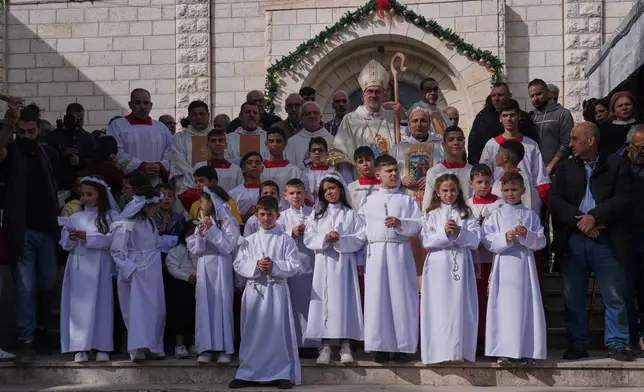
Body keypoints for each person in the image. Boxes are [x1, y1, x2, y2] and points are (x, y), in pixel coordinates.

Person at [550, 122, 634, 361]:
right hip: (575, 240)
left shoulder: (616, 164)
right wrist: (582, 222)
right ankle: (577, 344)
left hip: (607, 240)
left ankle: (617, 344)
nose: (571, 144)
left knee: (614, 295)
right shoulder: (565, 168)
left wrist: (595, 217)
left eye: (575, 139)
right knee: (573, 297)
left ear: (590, 140)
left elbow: (624, 198)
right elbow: (556, 202)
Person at [0, 103, 60, 362]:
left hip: (47, 229)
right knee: (26, 287)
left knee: (48, 284)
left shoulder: (48, 154)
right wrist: (9, 123)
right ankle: (26, 339)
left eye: (30, 131)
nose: (26, 136)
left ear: (38, 131)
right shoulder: (12, 152)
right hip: (22, 230)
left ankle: (42, 328)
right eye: (21, 131)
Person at [229, 196, 302, 389]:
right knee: (252, 332)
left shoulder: (285, 240)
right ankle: (247, 373)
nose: (266, 218)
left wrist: (274, 265)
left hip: (277, 290)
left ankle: (281, 373)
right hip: (255, 291)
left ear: (277, 215)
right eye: (262, 214)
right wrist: (256, 265)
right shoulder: (249, 240)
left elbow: (294, 265)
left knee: (277, 332)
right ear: (256, 215)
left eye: (270, 214)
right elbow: (238, 263)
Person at [360, 154, 422, 363]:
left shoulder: (407, 200)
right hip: (376, 253)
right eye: (389, 171)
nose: (394, 174)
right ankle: (381, 346)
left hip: (399, 251)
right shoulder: (369, 201)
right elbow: (361, 229)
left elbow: (418, 225)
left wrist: (400, 223)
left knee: (402, 297)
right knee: (378, 299)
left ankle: (404, 346)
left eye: (396, 170)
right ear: (378, 175)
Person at [482, 172, 547, 363]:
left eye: (514, 189)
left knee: (527, 305)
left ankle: (527, 350)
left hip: (524, 264)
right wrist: (506, 237)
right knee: (504, 306)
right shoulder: (496, 215)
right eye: (507, 190)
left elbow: (541, 240)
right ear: (501, 191)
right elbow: (487, 240)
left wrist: (527, 235)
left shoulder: (531, 215)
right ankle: (504, 350)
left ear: (523, 191)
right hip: (504, 264)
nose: (510, 193)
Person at [110, 185, 178, 362]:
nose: (158, 209)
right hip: (136, 271)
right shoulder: (125, 224)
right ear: (146, 206)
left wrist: (178, 241)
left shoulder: (148, 222)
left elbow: (155, 243)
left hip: (152, 269)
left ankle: (154, 344)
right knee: (136, 309)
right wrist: (131, 269)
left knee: (156, 308)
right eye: (155, 206)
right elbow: (117, 251)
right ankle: (137, 347)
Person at [304, 174, 366, 365]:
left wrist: (340, 239)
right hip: (324, 264)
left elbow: (360, 237)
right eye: (326, 190)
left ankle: (345, 345)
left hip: (344, 264)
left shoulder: (351, 214)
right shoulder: (316, 215)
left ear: (341, 189)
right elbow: (308, 237)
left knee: (344, 302)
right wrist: (324, 238)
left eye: (333, 188)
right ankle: (325, 346)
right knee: (324, 303)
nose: (330, 192)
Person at [59, 177, 120, 363]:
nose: (85, 198)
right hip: (79, 265)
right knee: (79, 306)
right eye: (83, 194)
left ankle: (102, 346)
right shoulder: (75, 217)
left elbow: (114, 240)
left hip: (101, 265)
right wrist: (71, 237)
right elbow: (64, 244)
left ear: (99, 195)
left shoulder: (110, 216)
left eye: (90, 194)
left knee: (102, 303)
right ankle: (80, 347)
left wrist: (89, 237)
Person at [421, 173, 480, 364]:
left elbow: (476, 240)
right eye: (445, 190)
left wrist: (459, 232)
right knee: (439, 307)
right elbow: (426, 240)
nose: (449, 194)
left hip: (461, 263)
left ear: (459, 191)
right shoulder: (431, 214)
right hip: (438, 264)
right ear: (437, 192)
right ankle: (439, 352)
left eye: (453, 190)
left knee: (459, 305)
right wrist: (444, 233)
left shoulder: (466, 214)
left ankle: (459, 350)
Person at [187, 185, 240, 364]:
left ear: (212, 201)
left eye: (202, 201)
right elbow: (194, 249)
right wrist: (201, 235)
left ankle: (224, 348)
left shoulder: (229, 221)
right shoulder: (203, 219)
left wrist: (212, 230)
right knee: (204, 305)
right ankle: (205, 347)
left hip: (221, 265)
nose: (200, 205)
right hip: (204, 265)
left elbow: (227, 246)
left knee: (222, 305)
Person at [333, 59, 407, 171]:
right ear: (363, 96)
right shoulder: (350, 119)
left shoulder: (393, 117)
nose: (374, 95)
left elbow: (406, 145)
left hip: (389, 178)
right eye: (370, 91)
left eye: (378, 92)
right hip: (361, 181)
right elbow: (342, 156)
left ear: (384, 96)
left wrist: (403, 118)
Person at [480, 98, 551, 203]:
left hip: (527, 198)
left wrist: (544, 203)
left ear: (519, 116)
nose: (509, 119)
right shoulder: (491, 145)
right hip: (498, 198)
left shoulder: (531, 145)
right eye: (505, 115)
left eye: (512, 115)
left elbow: (540, 177)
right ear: (500, 118)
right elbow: (483, 176)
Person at [278, 178, 318, 358]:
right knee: (292, 305)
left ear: (305, 194)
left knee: (310, 304)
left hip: (311, 263)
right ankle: (293, 341)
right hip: (291, 267)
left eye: (299, 193)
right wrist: (290, 233)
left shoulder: (314, 213)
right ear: (285, 196)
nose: (296, 197)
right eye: (292, 193)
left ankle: (310, 343)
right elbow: (276, 240)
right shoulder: (281, 217)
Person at [465, 164, 503, 348]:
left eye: (487, 182)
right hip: (472, 259)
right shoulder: (466, 205)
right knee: (474, 298)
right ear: (471, 182)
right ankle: (475, 338)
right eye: (479, 182)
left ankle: (490, 338)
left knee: (491, 298)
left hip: (493, 258)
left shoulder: (500, 204)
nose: (483, 186)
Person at [107, 88, 173, 185]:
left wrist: (161, 166)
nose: (142, 106)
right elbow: (115, 152)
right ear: (130, 104)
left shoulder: (161, 128)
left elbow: (171, 152)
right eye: (138, 103)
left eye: (146, 103)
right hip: (130, 183)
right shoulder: (117, 126)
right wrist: (140, 166)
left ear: (151, 106)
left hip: (157, 182)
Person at [467, 82, 539, 165]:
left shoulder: (524, 117)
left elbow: (531, 141)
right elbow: (473, 145)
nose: (496, 98)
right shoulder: (482, 118)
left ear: (509, 95)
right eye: (493, 96)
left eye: (500, 95)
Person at [620, 124, 644, 353]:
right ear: (629, 146)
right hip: (624, 237)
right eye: (641, 147)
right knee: (624, 290)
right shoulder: (616, 165)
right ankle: (631, 337)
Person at [390, 108, 443, 206]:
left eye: (423, 120)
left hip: (434, 200)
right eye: (415, 121)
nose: (419, 124)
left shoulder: (441, 147)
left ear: (429, 124)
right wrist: (401, 179)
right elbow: (388, 174)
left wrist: (432, 179)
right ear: (409, 125)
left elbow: (448, 172)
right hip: (406, 200)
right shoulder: (397, 149)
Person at [164, 222, 198, 359]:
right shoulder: (177, 250)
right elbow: (172, 266)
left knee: (197, 314)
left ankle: (196, 343)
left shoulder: (203, 250)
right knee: (180, 314)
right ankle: (180, 345)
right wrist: (186, 277)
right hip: (182, 286)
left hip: (199, 285)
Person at [528, 78, 574, 175]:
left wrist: (551, 166)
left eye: (538, 94)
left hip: (557, 172)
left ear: (547, 93)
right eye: (532, 96)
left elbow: (566, 144)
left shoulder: (563, 114)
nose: (535, 98)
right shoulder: (530, 117)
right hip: (534, 173)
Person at [169, 100, 214, 197]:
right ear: (189, 117)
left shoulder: (218, 136)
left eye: (202, 114)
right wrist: (196, 183)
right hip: (187, 187)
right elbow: (179, 162)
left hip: (214, 185)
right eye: (194, 114)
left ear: (208, 115)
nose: (198, 117)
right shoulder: (179, 137)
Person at [422, 126, 472, 210]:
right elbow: (428, 205)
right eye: (451, 140)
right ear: (443, 145)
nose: (456, 143)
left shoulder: (472, 171)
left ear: (464, 142)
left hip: (468, 218)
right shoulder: (434, 172)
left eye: (460, 139)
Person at [47, 103, 96, 190]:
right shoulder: (55, 135)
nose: (78, 121)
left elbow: (94, 161)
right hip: (60, 183)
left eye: (81, 118)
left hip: (80, 186)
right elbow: (48, 160)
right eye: (74, 118)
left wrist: (80, 161)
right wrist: (61, 154)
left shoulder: (88, 138)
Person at [491, 140, 542, 215]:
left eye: (498, 152)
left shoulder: (523, 179)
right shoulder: (498, 180)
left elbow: (529, 204)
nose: (496, 156)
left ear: (505, 157)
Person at [284, 102, 334, 170]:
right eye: (308, 113)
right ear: (301, 118)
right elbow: (289, 169)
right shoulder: (292, 142)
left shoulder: (333, 140)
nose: (312, 116)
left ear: (320, 116)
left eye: (315, 113)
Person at [261, 127, 302, 207]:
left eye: (279, 141)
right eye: (271, 141)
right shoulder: (260, 169)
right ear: (266, 144)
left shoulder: (294, 170)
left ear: (285, 143)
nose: (275, 144)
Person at [229, 152, 264, 224]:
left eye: (257, 163)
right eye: (250, 163)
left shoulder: (269, 190)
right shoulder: (234, 193)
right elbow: (228, 218)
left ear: (262, 168)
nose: (254, 165)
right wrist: (243, 217)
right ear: (243, 169)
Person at [301, 137, 334, 204]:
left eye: (320, 150)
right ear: (309, 154)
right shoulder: (304, 173)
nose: (317, 153)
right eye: (314, 150)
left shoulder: (333, 173)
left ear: (327, 153)